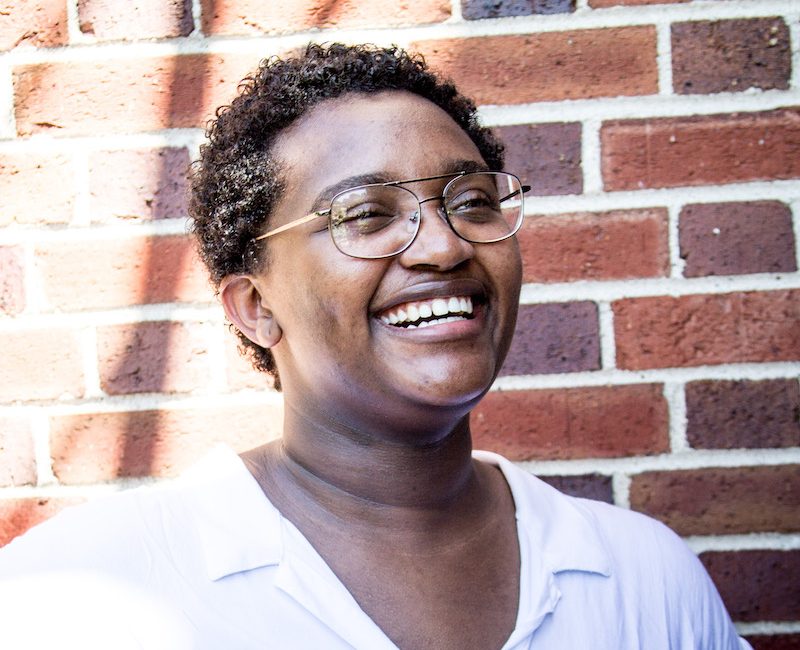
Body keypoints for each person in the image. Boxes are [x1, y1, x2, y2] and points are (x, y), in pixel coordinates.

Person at [0, 43, 749, 649]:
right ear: (256, 307)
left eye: (473, 201)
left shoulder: (641, 578)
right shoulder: (85, 595)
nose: (444, 245)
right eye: (366, 215)